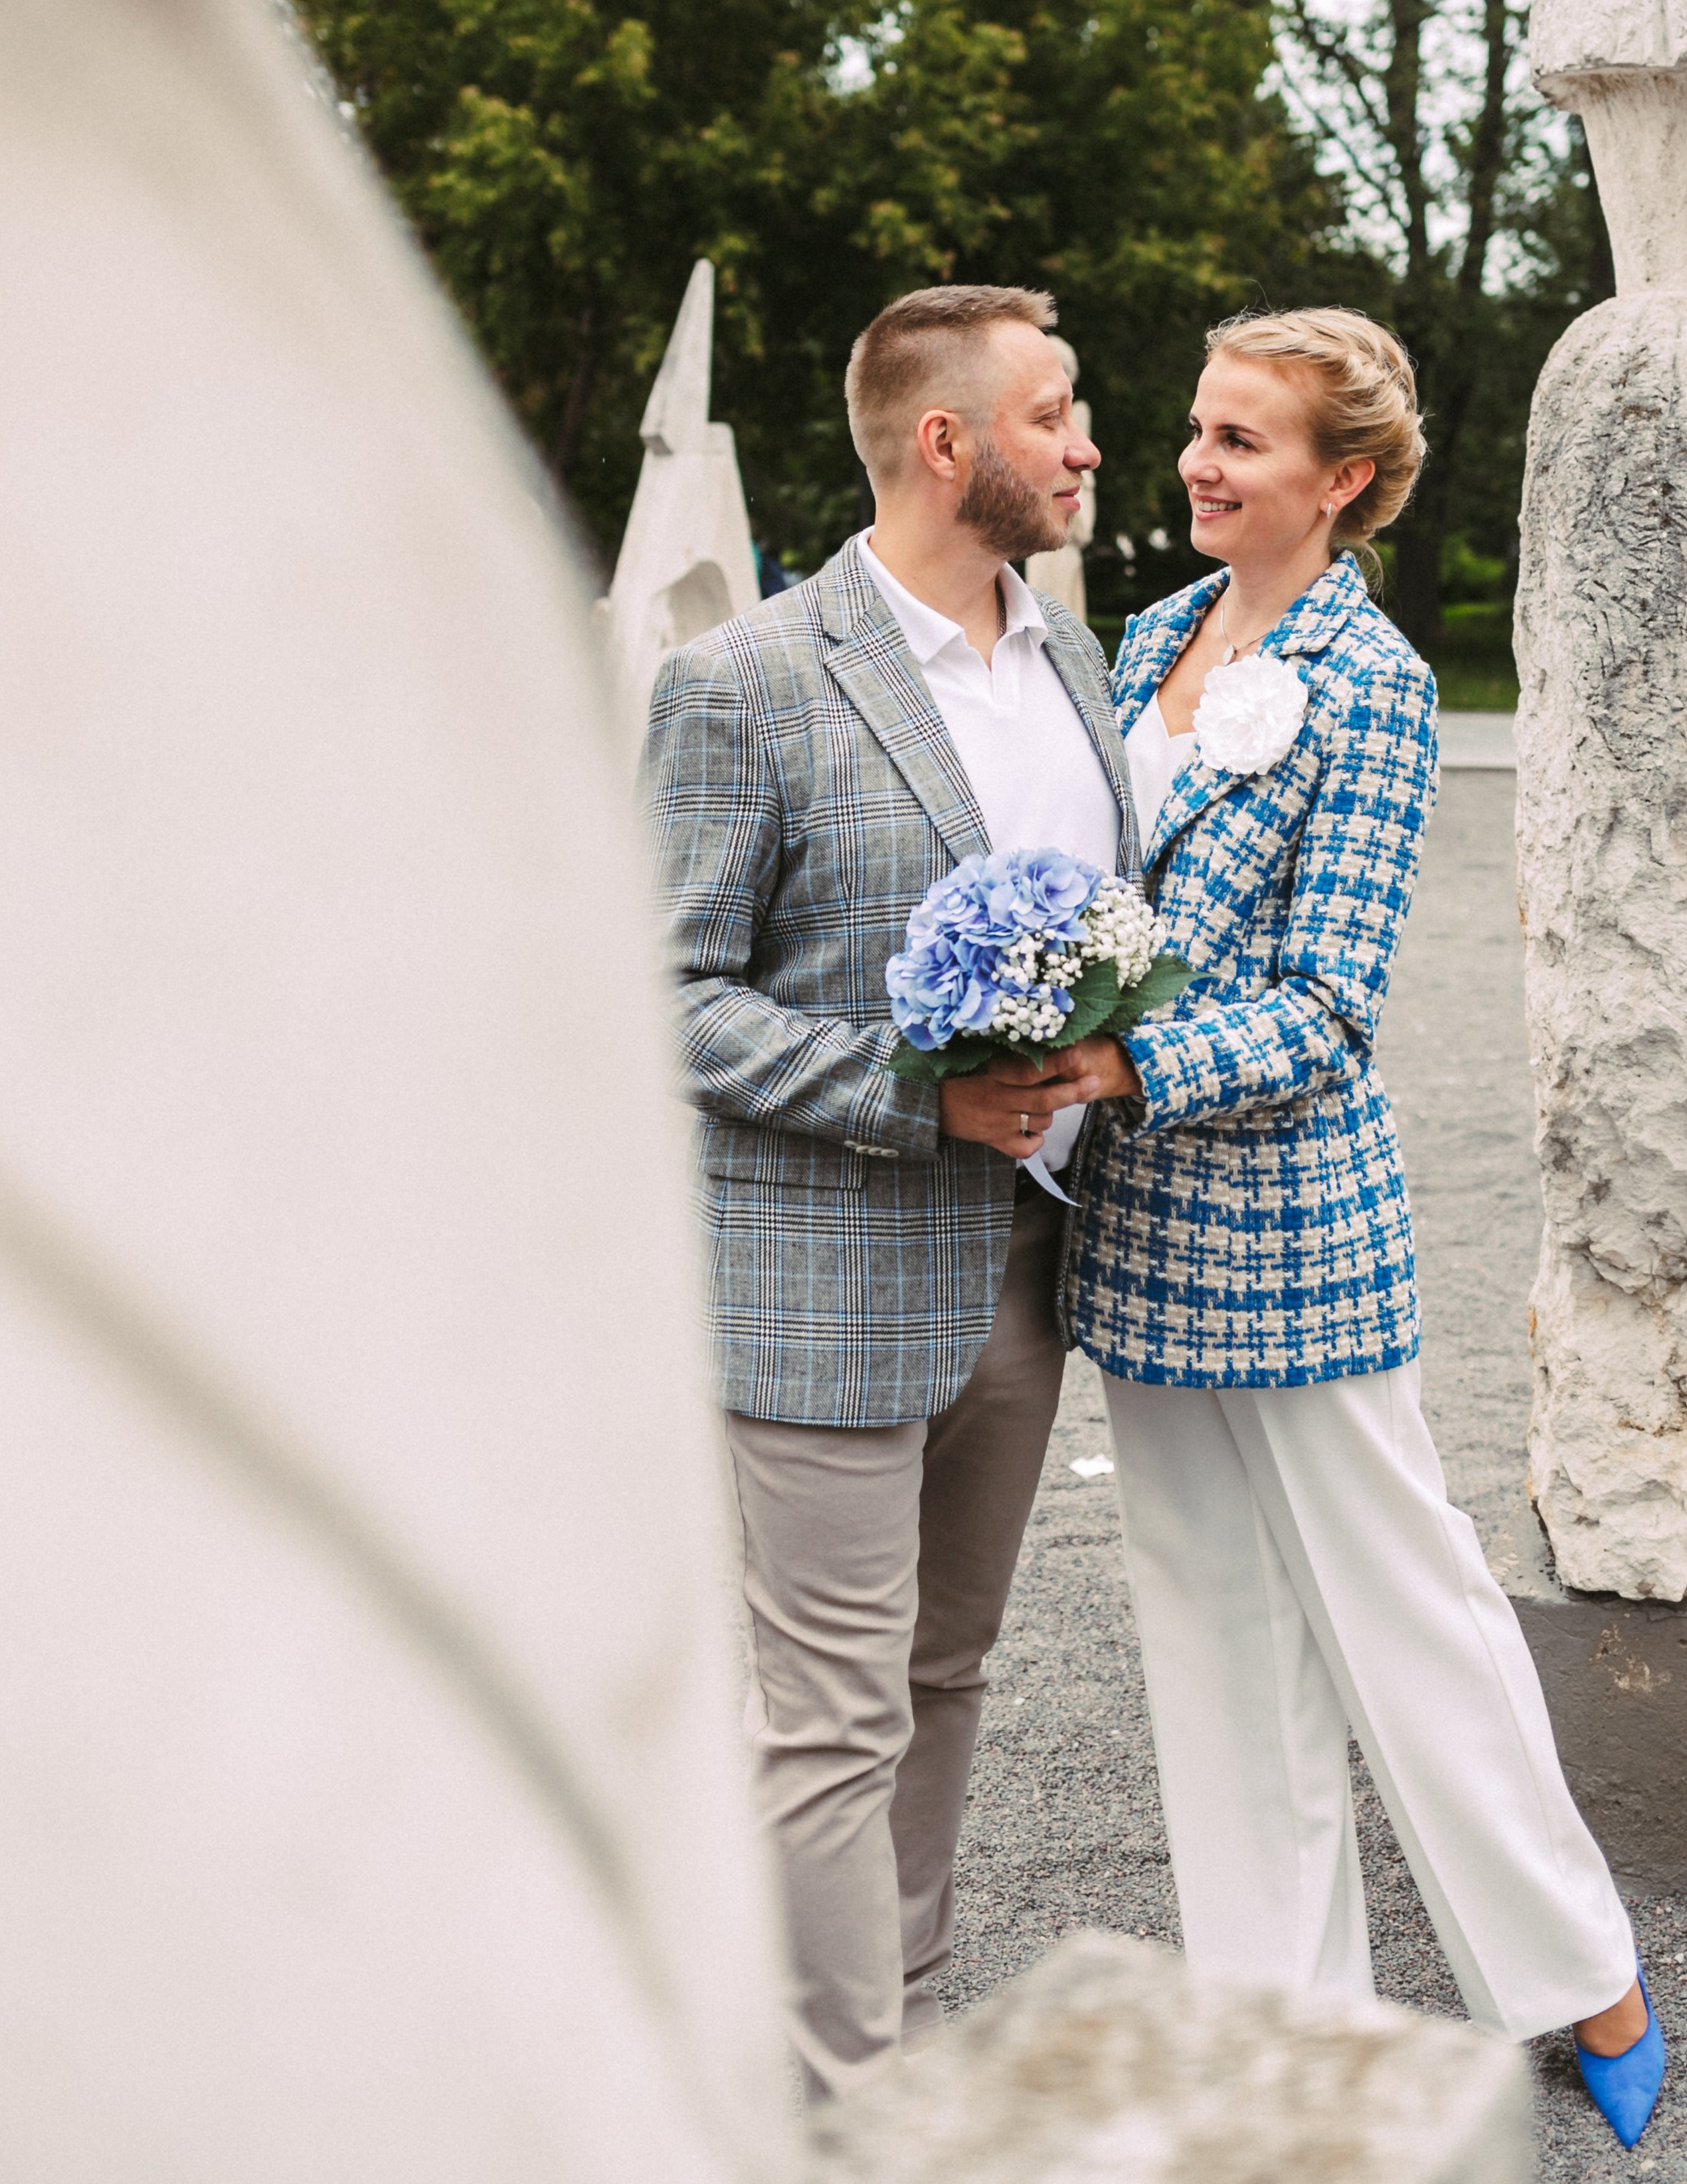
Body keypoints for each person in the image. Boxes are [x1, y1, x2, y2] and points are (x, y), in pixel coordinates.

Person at [1002, 306, 1667, 2152]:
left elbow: (1325, 1007)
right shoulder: (1141, 639)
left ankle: (1572, 1968)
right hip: (1129, 1227)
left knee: (1409, 1614)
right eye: (1197, 429)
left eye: (1242, 442)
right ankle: (1280, 2028)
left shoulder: (1372, 687)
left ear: (1344, 479)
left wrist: (1113, 1066)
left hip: (1293, 1234)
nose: (1197, 464)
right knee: (1207, 1631)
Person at [641, 284, 1138, 2103]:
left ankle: (895, 2027)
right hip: (822, 1272)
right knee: (827, 1722)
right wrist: (905, 1100)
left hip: (1027, 1268)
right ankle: (830, 2108)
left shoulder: (1075, 666)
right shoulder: (745, 680)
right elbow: (661, 989)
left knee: (948, 1672)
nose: (1091, 442)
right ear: (950, 444)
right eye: (1058, 409)